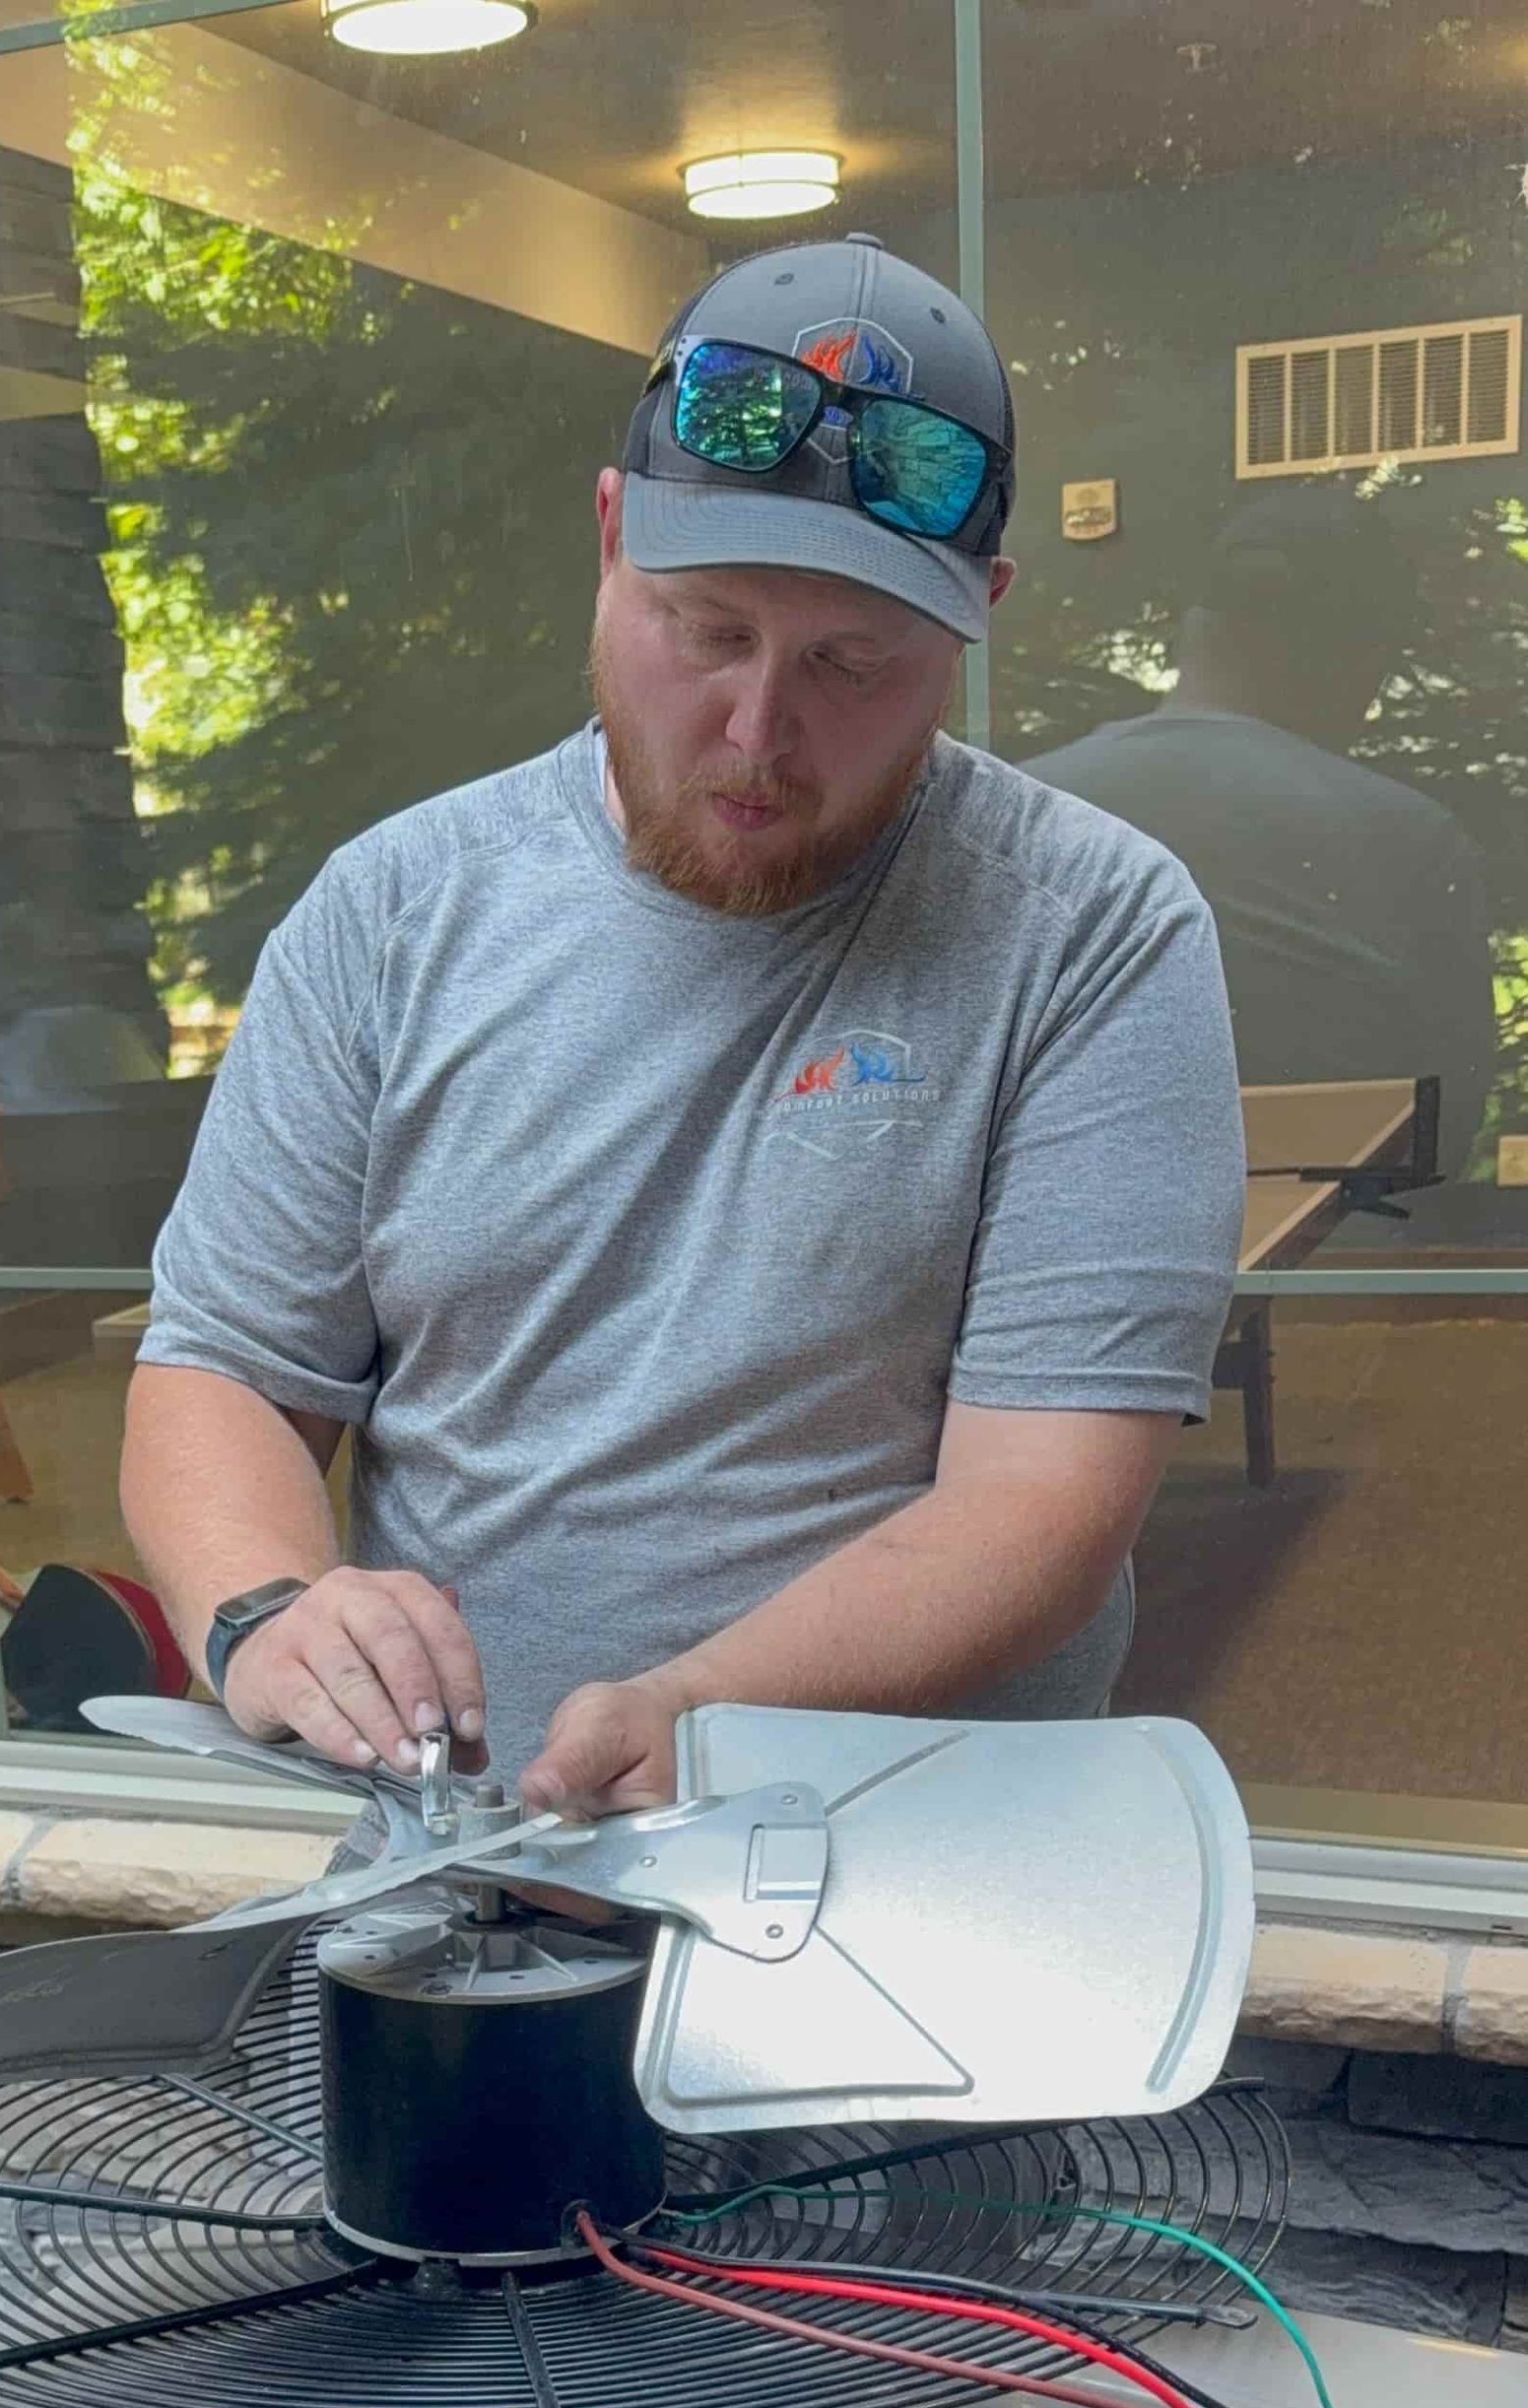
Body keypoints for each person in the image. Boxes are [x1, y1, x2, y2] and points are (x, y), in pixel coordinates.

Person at [121, 231, 1245, 1819]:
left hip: (909, 1845)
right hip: (450, 1852)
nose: (756, 728)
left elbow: (1043, 1511)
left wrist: (702, 1709)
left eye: (852, 663)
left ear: (976, 615)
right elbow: (226, 1369)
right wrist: (263, 1607)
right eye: (704, 628)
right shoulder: (391, 913)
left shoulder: (1094, 932)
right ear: (606, 538)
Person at [1026, 488, 1494, 1172]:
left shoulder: (1027, 813)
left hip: (1060, 1255)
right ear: (1345, 653)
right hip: (1341, 1263)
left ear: (1197, 631)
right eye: (1382, 658)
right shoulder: (1408, 836)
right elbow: (1446, 1124)